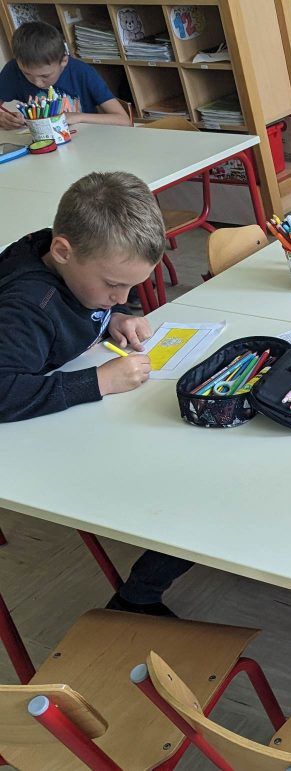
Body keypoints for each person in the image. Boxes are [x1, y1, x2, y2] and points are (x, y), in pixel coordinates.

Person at [0, 171, 192, 616]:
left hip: (55, 413)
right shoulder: (25, 305)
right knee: (182, 480)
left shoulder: (69, 262)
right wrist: (98, 382)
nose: (122, 296)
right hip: (23, 443)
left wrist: (113, 319)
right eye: (113, 286)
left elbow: (75, 308)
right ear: (63, 251)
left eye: (131, 286)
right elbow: (5, 390)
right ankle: (138, 595)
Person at [0, 21, 131, 130]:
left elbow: (124, 120)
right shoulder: (13, 70)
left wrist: (78, 117)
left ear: (64, 61)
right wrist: (2, 118)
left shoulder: (82, 72)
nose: (37, 82)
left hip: (87, 141)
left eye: (45, 76)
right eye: (27, 74)